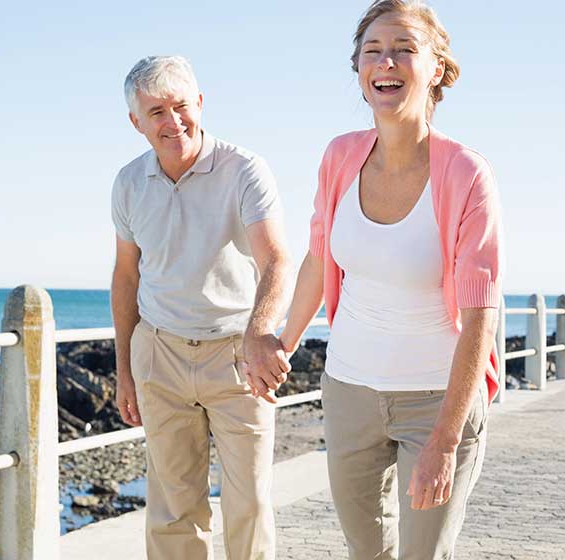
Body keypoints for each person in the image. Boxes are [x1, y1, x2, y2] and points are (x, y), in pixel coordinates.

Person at [276, 2, 503, 558]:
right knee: (366, 552)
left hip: (437, 400)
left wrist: (446, 441)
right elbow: (317, 259)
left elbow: (481, 313)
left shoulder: (465, 173)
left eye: (404, 48)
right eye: (373, 50)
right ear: (358, 68)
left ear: (437, 69)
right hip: (349, 390)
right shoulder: (339, 156)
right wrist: (279, 344)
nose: (387, 61)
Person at [110, 55, 292, 560]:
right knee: (172, 508)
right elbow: (126, 278)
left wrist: (259, 333)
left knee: (249, 503)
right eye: (157, 113)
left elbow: (276, 259)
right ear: (136, 122)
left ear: (201, 104)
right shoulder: (128, 183)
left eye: (181, 107)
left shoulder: (244, 170)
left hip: (238, 356)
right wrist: (124, 368)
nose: (173, 123)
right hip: (160, 355)